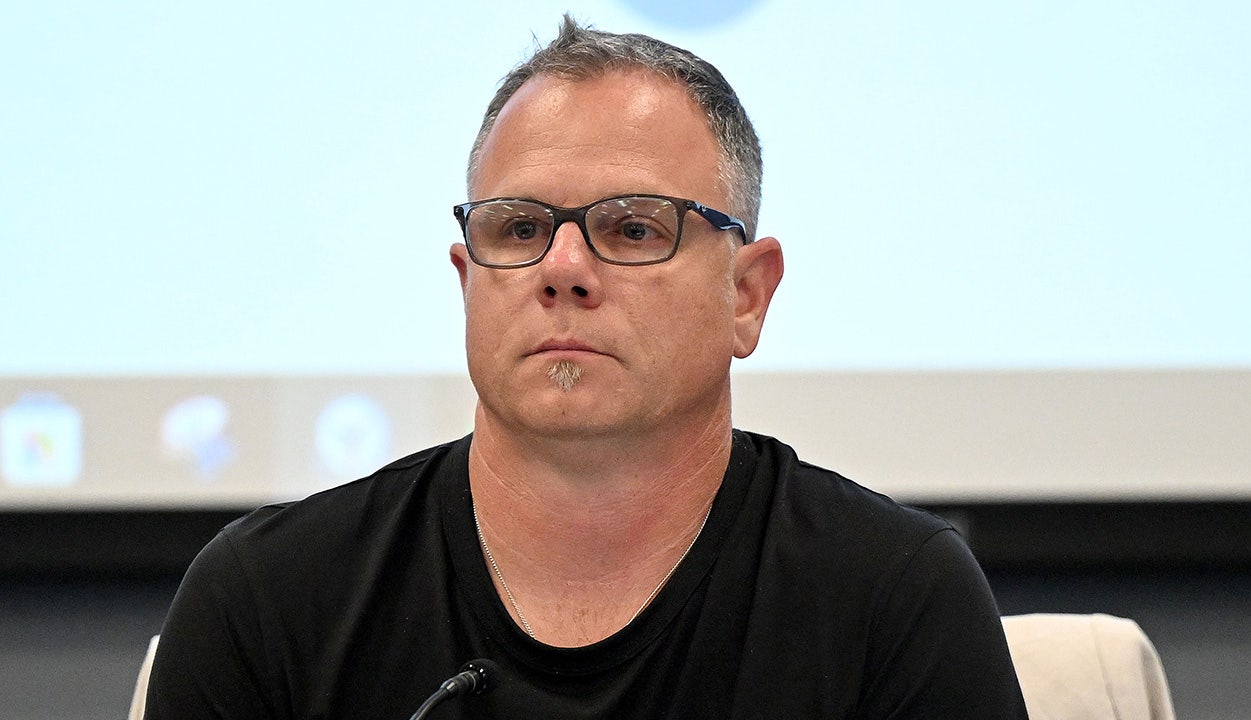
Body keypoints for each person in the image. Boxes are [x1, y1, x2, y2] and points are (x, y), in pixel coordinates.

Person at [145, 16, 1028, 719]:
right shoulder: (267, 603)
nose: (562, 267)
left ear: (747, 295)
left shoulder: (893, 601)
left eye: (634, 228)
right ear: (467, 283)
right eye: (520, 229)